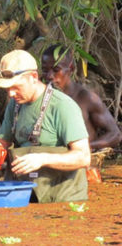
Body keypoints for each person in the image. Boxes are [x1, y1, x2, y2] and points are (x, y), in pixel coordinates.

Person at [0, 49, 91, 203]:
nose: (10, 94)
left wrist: (42, 159)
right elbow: (2, 143)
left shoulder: (62, 106)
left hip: (63, 200)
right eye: (7, 89)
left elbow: (83, 157)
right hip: (25, 196)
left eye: (16, 87)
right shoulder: (14, 105)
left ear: (33, 77)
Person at [41, 44, 122, 182]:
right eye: (45, 70)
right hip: (47, 169)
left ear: (71, 69)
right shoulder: (40, 97)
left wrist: (85, 147)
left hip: (80, 172)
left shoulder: (85, 98)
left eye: (56, 70)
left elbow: (115, 134)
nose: (49, 76)